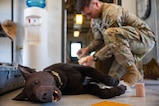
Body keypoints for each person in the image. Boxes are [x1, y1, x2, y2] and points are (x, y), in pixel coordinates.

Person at [76, 0, 155, 87]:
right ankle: (136, 75)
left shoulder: (112, 12)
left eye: (89, 13)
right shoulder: (95, 20)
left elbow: (113, 41)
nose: (88, 17)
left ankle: (132, 71)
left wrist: (94, 57)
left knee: (110, 33)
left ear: (96, 4)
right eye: (86, 15)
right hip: (126, 46)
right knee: (112, 80)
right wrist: (87, 49)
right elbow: (99, 40)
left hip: (145, 40)